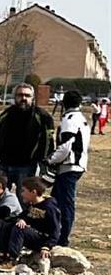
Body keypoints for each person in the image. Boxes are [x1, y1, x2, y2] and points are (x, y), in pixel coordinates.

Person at [0, 82, 54, 194]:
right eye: (20, 95)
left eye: (27, 96)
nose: (23, 98)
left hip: (28, 167)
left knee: (24, 202)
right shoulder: (5, 115)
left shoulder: (43, 117)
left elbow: (49, 143)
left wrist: (44, 164)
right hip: (4, 165)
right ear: (15, 97)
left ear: (33, 98)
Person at [46, 90, 89, 247]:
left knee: (64, 204)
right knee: (56, 201)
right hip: (76, 165)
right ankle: (55, 234)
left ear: (63, 103)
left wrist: (50, 159)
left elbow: (66, 146)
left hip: (69, 166)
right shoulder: (80, 118)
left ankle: (62, 239)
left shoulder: (70, 119)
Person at [0, 176, 59, 271]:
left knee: (19, 228)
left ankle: (11, 261)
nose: (21, 194)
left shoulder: (49, 208)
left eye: (23, 191)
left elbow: (55, 230)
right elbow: (22, 216)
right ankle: (2, 254)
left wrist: (47, 246)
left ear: (33, 192)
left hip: (42, 240)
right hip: (32, 234)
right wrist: (21, 219)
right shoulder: (32, 204)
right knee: (8, 224)